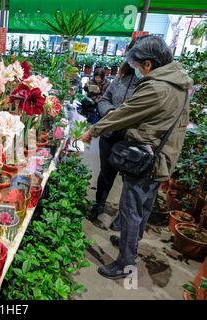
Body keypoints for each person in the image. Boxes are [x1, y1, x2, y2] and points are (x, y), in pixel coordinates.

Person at [81, 35, 192, 279]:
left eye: (137, 65)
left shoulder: (156, 87)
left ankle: (125, 263)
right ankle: (128, 245)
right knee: (142, 208)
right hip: (163, 159)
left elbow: (124, 114)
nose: (136, 70)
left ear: (149, 64)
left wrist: (92, 131)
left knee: (130, 211)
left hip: (146, 161)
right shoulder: (180, 84)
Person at [88, 58, 140, 231]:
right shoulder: (120, 78)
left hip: (131, 139)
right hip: (110, 134)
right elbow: (104, 99)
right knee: (106, 173)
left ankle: (122, 216)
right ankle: (99, 204)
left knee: (129, 180)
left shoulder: (148, 83)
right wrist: (109, 111)